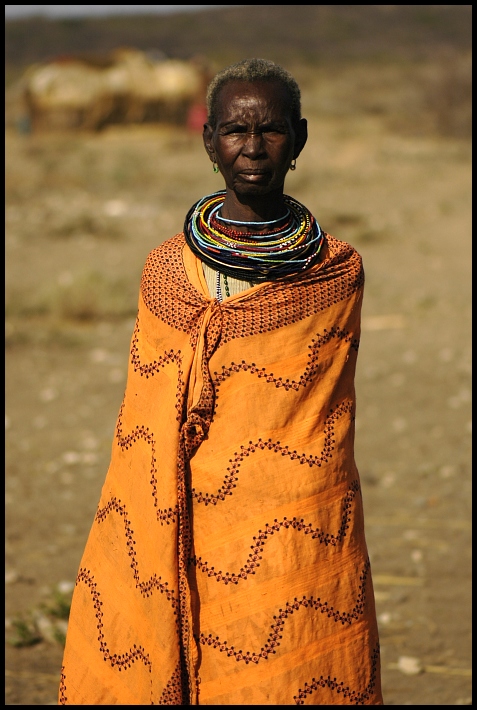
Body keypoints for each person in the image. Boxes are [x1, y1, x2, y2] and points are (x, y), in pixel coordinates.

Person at [59, 58, 383, 705]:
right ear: (209, 141)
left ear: (300, 139)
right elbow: (145, 421)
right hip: (175, 505)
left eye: (271, 131)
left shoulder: (333, 273)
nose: (253, 148)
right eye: (235, 131)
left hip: (291, 512)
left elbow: (315, 418)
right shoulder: (166, 274)